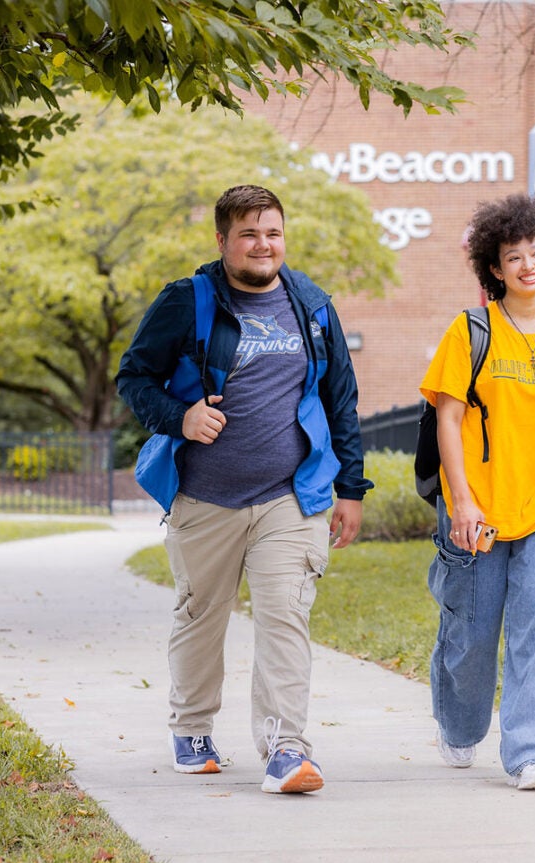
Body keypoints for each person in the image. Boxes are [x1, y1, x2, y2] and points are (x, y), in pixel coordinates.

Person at [117, 184, 372, 794]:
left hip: (290, 495)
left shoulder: (310, 304)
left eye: (273, 232)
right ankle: (193, 727)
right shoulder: (188, 300)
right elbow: (134, 377)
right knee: (202, 615)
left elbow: (340, 398)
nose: (264, 245)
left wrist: (351, 487)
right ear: (224, 241)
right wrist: (179, 417)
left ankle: (286, 748)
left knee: (285, 616)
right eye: (250, 234)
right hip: (206, 497)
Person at [418, 193, 535, 790]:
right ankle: (460, 726)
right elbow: (447, 418)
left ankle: (531, 754)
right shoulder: (470, 332)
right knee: (471, 632)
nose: (528, 265)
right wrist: (462, 501)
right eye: (514, 256)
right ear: (495, 268)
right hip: (480, 504)